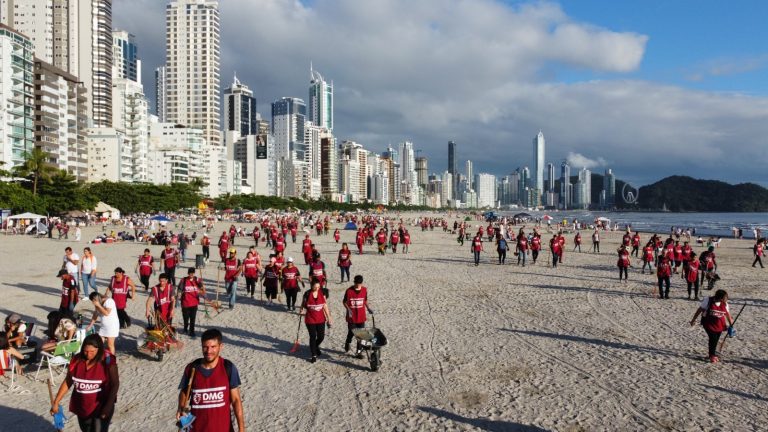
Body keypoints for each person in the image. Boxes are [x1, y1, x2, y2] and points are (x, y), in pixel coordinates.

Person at [177, 329, 245, 432]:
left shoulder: (228, 368)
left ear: (220, 347)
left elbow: (236, 400)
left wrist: (241, 429)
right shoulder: (192, 369)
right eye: (205, 347)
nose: (208, 351)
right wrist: (181, 407)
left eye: (213, 347)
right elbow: (184, 391)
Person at [50, 334, 119, 432]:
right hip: (82, 406)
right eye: (85, 351)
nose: (88, 354)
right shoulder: (76, 360)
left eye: (92, 351)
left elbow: (115, 384)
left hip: (101, 406)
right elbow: (68, 381)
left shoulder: (108, 360)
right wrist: (56, 402)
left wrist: (108, 406)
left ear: (99, 349)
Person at [690, 289, 734, 363]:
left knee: (716, 339)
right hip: (708, 324)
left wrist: (731, 325)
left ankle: (712, 353)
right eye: (725, 297)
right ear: (720, 298)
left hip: (720, 325)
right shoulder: (708, 300)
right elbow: (699, 310)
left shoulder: (725, 304)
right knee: (712, 338)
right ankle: (712, 355)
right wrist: (693, 320)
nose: (727, 299)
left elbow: (727, 315)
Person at [299, 281, 333, 363]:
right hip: (310, 319)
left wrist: (329, 317)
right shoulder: (307, 294)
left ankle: (315, 346)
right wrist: (301, 310)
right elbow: (303, 304)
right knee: (313, 336)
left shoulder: (322, 293)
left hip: (321, 319)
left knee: (321, 336)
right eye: (315, 287)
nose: (317, 289)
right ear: (311, 286)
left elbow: (325, 306)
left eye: (318, 287)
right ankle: (313, 355)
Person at [343, 275, 373, 357]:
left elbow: (365, 300)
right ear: (354, 282)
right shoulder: (349, 291)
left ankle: (358, 352)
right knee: (352, 332)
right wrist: (348, 309)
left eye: (359, 284)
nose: (358, 285)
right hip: (351, 317)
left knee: (360, 335)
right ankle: (348, 342)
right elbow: (344, 302)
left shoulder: (364, 290)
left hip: (361, 317)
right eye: (356, 284)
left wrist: (368, 308)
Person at [178, 268, 206, 337]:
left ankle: (192, 331)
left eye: (192, 273)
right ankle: (185, 329)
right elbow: (179, 289)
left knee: (193, 318)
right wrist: (178, 296)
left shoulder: (197, 280)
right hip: (185, 303)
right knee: (186, 317)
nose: (191, 274)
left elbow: (203, 290)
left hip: (194, 303)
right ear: (188, 273)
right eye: (190, 273)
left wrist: (202, 288)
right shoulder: (183, 280)